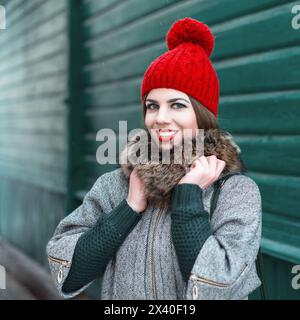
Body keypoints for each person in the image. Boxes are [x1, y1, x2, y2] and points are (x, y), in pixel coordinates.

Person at [46, 17, 262, 300]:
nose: (160, 118)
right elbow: (69, 272)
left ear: (202, 113)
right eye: (152, 106)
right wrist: (128, 208)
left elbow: (217, 285)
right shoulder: (115, 185)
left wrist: (188, 195)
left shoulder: (236, 193)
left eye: (177, 105)